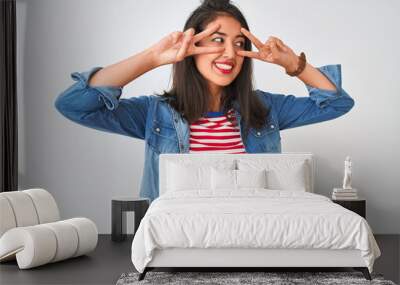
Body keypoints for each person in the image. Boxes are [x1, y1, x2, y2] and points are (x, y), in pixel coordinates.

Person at [54, 0, 355, 202]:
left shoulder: (265, 108)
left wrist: (294, 65)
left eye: (239, 43)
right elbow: (73, 105)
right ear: (192, 46)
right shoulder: (155, 114)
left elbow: (336, 103)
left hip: (254, 231)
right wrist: (152, 58)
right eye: (217, 40)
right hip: (177, 240)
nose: (230, 53)